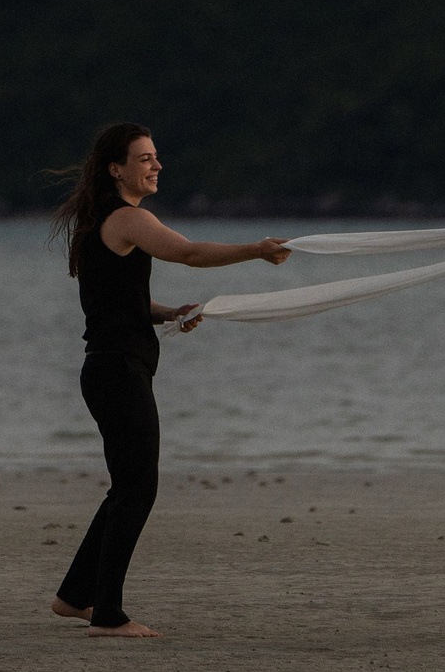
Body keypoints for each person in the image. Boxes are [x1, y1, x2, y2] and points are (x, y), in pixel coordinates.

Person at [48, 122, 289, 638]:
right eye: (145, 159)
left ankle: (74, 597)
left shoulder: (103, 224)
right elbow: (190, 253)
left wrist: (167, 313)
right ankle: (107, 616)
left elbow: (118, 303)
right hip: (117, 371)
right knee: (137, 489)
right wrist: (258, 249)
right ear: (117, 169)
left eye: (156, 158)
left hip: (113, 368)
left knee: (126, 487)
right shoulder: (128, 219)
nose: (156, 166)